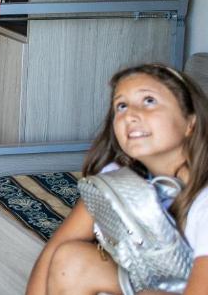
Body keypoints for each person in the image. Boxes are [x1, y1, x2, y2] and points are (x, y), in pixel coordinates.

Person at [26, 63, 208, 295]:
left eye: (149, 101)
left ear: (190, 123)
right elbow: (57, 247)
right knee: (71, 262)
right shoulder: (121, 179)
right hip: (165, 284)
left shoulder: (204, 200)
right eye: (121, 106)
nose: (129, 114)